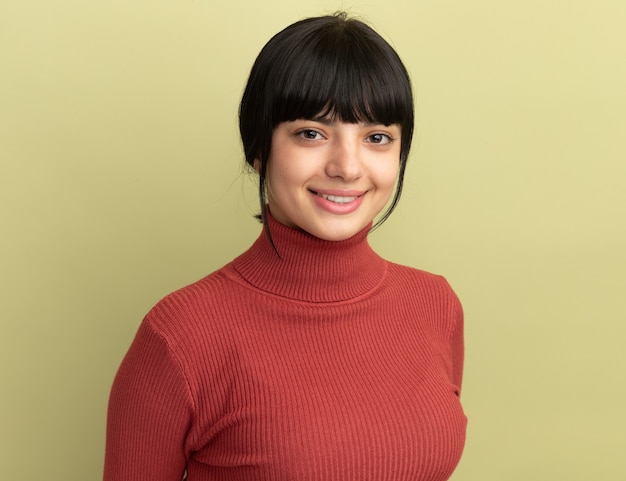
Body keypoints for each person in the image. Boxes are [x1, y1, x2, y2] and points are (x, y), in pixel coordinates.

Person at [104, 12, 466, 481]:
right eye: (311, 133)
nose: (347, 167)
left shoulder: (435, 305)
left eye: (377, 137)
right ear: (259, 147)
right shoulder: (180, 337)